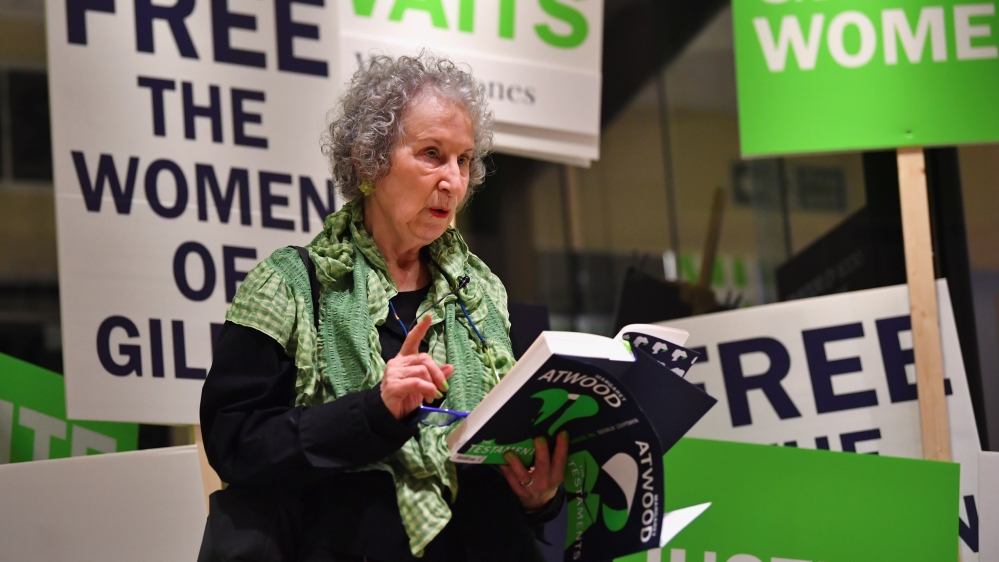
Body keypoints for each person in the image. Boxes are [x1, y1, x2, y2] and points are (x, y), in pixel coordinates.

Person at [198, 52, 568, 562]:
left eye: (463, 160)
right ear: (368, 161)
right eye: (432, 153)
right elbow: (235, 443)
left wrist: (537, 497)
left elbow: (496, 454)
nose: (453, 181)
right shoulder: (289, 285)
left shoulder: (483, 292)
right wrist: (373, 410)